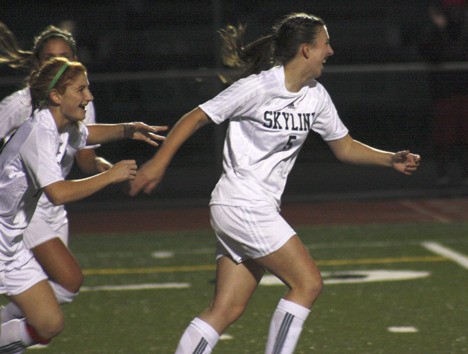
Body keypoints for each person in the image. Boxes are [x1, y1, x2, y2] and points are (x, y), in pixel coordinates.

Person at [129, 12, 421, 354]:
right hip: (242, 204)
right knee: (307, 283)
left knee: (226, 309)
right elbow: (196, 116)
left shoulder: (316, 96)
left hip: (248, 208)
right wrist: (159, 162)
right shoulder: (258, 87)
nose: (331, 50)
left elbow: (344, 146)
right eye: (325, 43)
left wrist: (390, 158)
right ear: (306, 50)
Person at [0, 22, 167, 328]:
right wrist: (111, 175)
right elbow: (59, 192)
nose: (88, 97)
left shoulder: (58, 124)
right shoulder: (35, 128)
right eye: (81, 89)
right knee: (64, 286)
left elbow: (86, 136)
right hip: (10, 226)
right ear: (56, 94)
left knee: (49, 322)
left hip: (20, 227)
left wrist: (129, 129)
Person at [417, 0, 468, 186]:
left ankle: (464, 175)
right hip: (443, 94)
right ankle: (442, 176)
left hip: (463, 93)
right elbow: (428, 52)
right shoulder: (435, 33)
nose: (455, 13)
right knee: (443, 139)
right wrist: (438, 28)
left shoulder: (463, 32)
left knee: (464, 138)